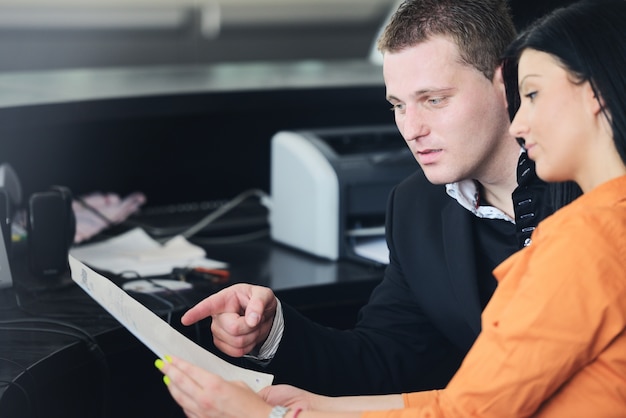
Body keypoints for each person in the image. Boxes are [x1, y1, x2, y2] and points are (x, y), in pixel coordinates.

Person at [156, 0, 626, 416]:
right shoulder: (414, 206)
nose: (412, 128)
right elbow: (386, 360)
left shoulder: (595, 197)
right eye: (397, 105)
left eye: (434, 100)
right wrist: (272, 332)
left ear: (507, 83)